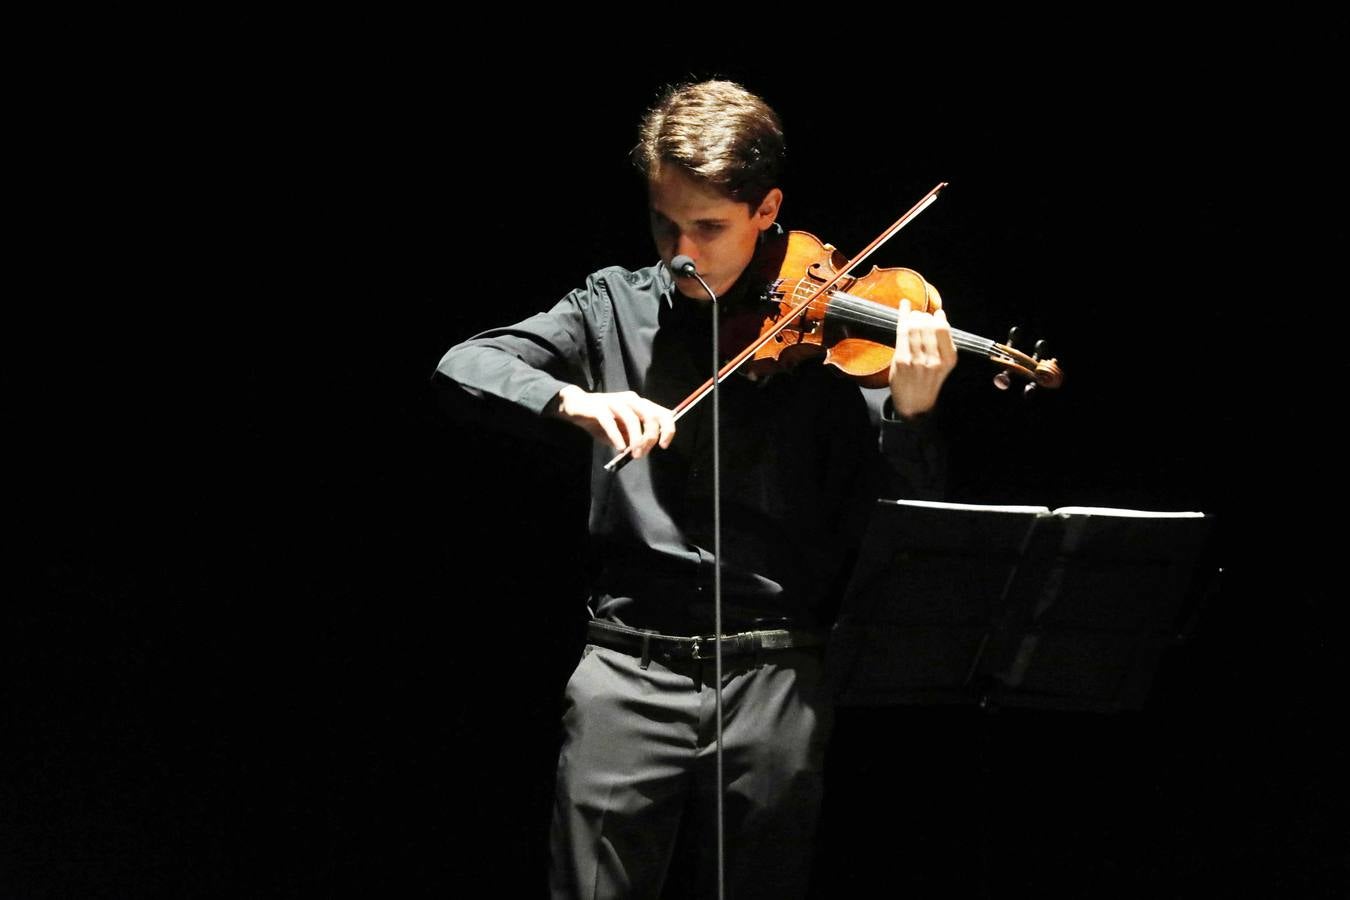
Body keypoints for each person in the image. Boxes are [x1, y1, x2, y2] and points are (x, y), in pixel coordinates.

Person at [434, 79, 957, 899]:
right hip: (626, 668)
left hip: (776, 674)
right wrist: (574, 398)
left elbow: (893, 525)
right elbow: (465, 365)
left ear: (766, 208)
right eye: (664, 222)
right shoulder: (611, 303)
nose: (681, 250)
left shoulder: (830, 329)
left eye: (708, 227)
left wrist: (912, 415)